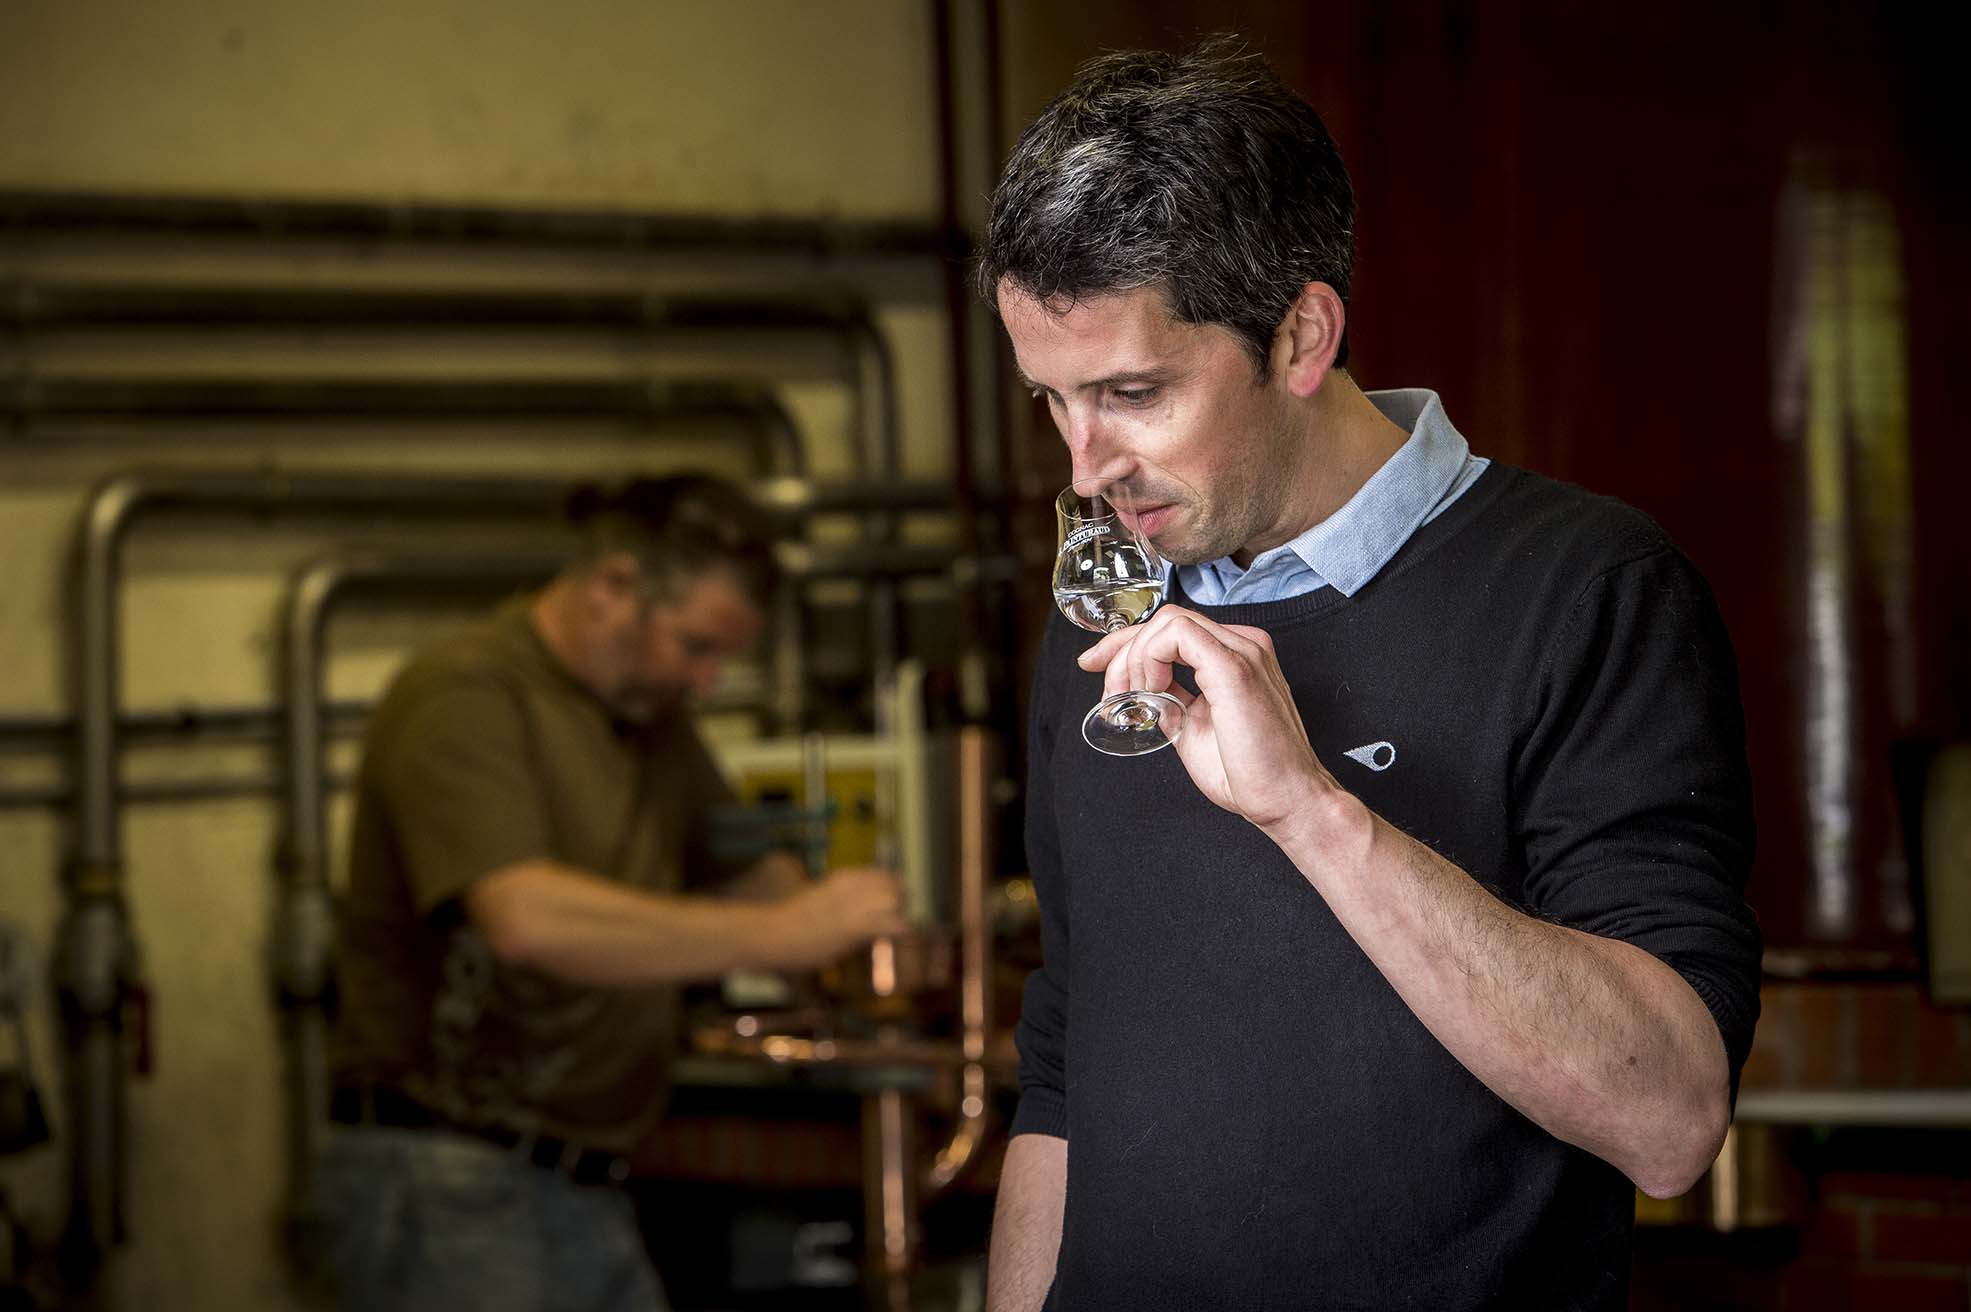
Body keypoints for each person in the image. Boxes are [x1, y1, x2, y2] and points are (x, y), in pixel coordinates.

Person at [980, 38, 1761, 1312]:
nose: (1084, 466)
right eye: (1052, 401)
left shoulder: (1590, 590)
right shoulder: (1111, 614)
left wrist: (1312, 809)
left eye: (1133, 392)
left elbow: (1668, 1116)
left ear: (1303, 332)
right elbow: (1068, 1062)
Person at [299, 474, 908, 1311]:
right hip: (446, 1179)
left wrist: (858, 944)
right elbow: (525, 918)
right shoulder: (467, 695)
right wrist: (782, 935)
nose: (706, 681)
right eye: (697, 646)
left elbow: (746, 872)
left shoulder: (647, 718)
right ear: (614, 587)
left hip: (581, 1181)